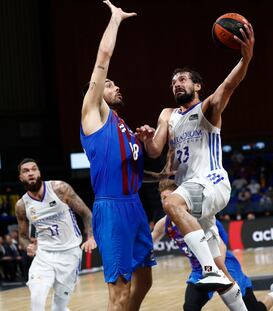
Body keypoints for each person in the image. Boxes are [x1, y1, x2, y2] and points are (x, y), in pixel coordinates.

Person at [137, 17, 255, 291]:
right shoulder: (168, 115)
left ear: (197, 86)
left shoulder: (207, 109)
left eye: (182, 79)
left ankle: (209, 270)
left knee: (171, 204)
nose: (176, 83)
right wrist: (146, 139)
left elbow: (229, 85)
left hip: (212, 183)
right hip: (194, 193)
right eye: (173, 81)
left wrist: (245, 60)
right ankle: (220, 276)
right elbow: (155, 150)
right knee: (224, 275)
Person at [80, 1, 155, 310]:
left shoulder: (123, 126)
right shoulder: (93, 113)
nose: (115, 85)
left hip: (134, 205)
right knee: (119, 291)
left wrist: (148, 145)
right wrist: (115, 20)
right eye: (108, 84)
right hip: (111, 208)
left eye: (113, 83)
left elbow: (137, 169)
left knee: (146, 279)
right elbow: (103, 60)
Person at [153, 179, 273, 311]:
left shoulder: (203, 218)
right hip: (200, 271)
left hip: (226, 265)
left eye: (170, 197)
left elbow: (221, 246)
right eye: (163, 199)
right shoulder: (163, 224)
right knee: (190, 307)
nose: (167, 202)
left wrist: (224, 274)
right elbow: (149, 242)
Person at [14, 158, 97, 311]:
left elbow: (86, 213)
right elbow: (23, 236)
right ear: (21, 177)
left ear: (39, 172)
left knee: (59, 307)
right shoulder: (22, 205)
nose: (31, 173)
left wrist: (90, 237)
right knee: (37, 298)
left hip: (70, 254)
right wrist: (29, 247)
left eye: (34, 169)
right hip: (44, 254)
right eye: (26, 171)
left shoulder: (59, 188)